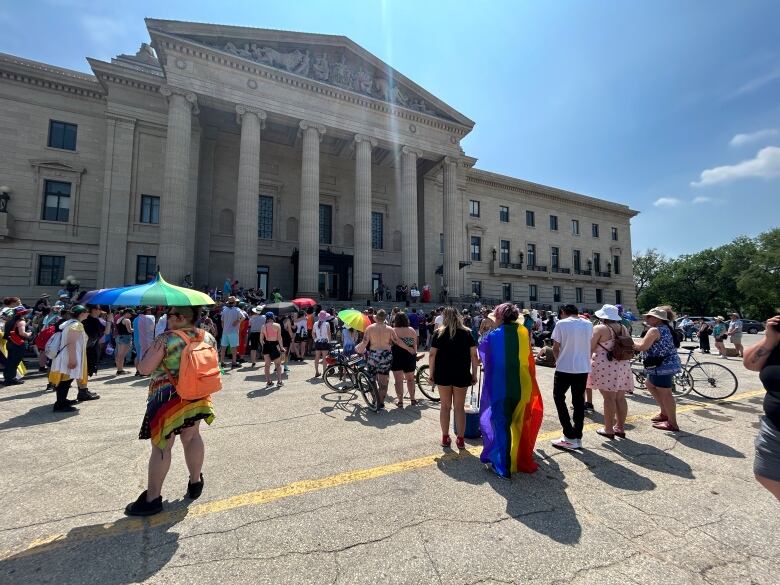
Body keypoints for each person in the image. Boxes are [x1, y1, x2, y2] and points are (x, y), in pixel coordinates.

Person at [126, 306, 218, 516]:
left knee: (161, 446)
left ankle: (153, 498)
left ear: (180, 317)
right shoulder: (207, 337)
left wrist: (140, 360)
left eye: (170, 315)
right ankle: (195, 482)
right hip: (197, 394)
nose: (167, 318)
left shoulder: (166, 339)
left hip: (167, 397)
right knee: (192, 436)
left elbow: (145, 369)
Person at [478, 303, 544, 477]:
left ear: (500, 317)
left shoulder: (493, 336)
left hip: (501, 387)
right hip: (523, 386)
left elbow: (482, 353)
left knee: (501, 424)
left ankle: (503, 466)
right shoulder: (523, 332)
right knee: (519, 422)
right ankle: (520, 459)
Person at [428, 307, 479, 449]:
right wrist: (474, 374)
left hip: (442, 372)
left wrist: (431, 374)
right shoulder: (467, 333)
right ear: (459, 317)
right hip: (461, 373)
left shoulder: (438, 333)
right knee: (459, 407)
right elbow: (474, 356)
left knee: (444, 406)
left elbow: (432, 355)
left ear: (444, 318)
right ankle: (461, 439)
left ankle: (445, 437)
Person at [743, 315, 780, 501]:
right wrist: (769, 339)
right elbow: (750, 363)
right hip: (774, 428)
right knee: (765, 473)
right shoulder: (777, 340)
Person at [550, 304, 593, 450]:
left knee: (559, 397)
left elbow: (556, 347)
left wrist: (557, 360)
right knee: (579, 401)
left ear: (563, 312)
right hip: (582, 367)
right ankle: (578, 435)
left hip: (564, 367)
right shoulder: (588, 324)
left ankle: (569, 434)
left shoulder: (561, 323)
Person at [633, 307, 682, 432]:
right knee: (649, 384)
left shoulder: (654, 330)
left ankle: (672, 423)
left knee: (666, 394)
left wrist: (629, 342)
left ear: (657, 319)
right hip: (667, 364)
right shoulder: (666, 328)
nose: (646, 318)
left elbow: (643, 347)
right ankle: (664, 412)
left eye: (649, 316)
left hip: (661, 366)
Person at [588, 304, 633, 439]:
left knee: (608, 398)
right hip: (622, 364)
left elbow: (590, 347)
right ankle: (619, 427)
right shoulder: (623, 328)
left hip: (605, 366)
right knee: (620, 398)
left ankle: (608, 429)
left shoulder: (600, 328)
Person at [49, 305, 94, 411]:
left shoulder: (70, 323)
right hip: (70, 355)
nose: (88, 313)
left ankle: (62, 401)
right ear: (82, 313)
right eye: (86, 312)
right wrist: (73, 359)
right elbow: (71, 343)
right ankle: (60, 404)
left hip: (68, 354)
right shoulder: (77, 325)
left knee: (66, 379)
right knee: (66, 380)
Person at [355, 309, 395, 409]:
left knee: (371, 379)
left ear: (376, 317)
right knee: (384, 380)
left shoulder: (369, 328)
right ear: (385, 318)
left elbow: (364, 343)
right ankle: (381, 402)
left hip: (374, 355)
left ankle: (375, 399)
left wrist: (358, 350)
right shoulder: (390, 329)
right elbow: (395, 342)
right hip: (386, 355)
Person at [390, 311, 418, 408]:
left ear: (396, 320)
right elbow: (415, 344)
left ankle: (400, 401)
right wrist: (414, 353)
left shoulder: (393, 330)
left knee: (398, 380)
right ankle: (413, 399)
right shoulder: (411, 330)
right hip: (409, 356)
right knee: (410, 379)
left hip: (396, 356)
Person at [3, 306, 32, 386]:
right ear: (23, 313)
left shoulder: (9, 321)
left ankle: (8, 378)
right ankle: (11, 379)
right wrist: (29, 334)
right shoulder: (21, 321)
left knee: (10, 361)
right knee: (15, 362)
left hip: (9, 343)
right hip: (18, 343)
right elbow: (22, 333)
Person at [219, 296, 243, 369]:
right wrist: (238, 321)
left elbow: (222, 321)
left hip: (225, 331)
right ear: (235, 302)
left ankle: (222, 362)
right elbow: (243, 317)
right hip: (233, 331)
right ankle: (234, 362)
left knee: (223, 347)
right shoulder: (237, 309)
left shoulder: (224, 310)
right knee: (233, 348)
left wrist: (224, 328)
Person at [261, 312, 284, 386]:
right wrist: (281, 347)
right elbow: (279, 338)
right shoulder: (277, 325)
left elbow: (261, 339)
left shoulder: (263, 326)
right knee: (278, 364)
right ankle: (279, 381)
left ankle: (268, 381)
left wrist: (263, 346)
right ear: (273, 317)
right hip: (274, 345)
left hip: (266, 346)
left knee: (267, 365)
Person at [114, 309, 134, 375]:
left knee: (119, 355)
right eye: (131, 314)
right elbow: (129, 330)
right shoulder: (127, 320)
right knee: (122, 355)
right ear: (127, 313)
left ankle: (119, 369)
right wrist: (136, 329)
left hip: (119, 337)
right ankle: (120, 370)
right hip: (126, 338)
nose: (131, 316)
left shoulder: (119, 319)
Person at [312, 310, 332, 377]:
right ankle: (324, 373)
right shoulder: (327, 324)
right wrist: (329, 341)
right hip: (325, 342)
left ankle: (317, 372)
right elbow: (329, 334)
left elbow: (313, 333)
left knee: (316, 357)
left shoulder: (315, 323)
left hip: (318, 342)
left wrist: (315, 340)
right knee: (324, 358)